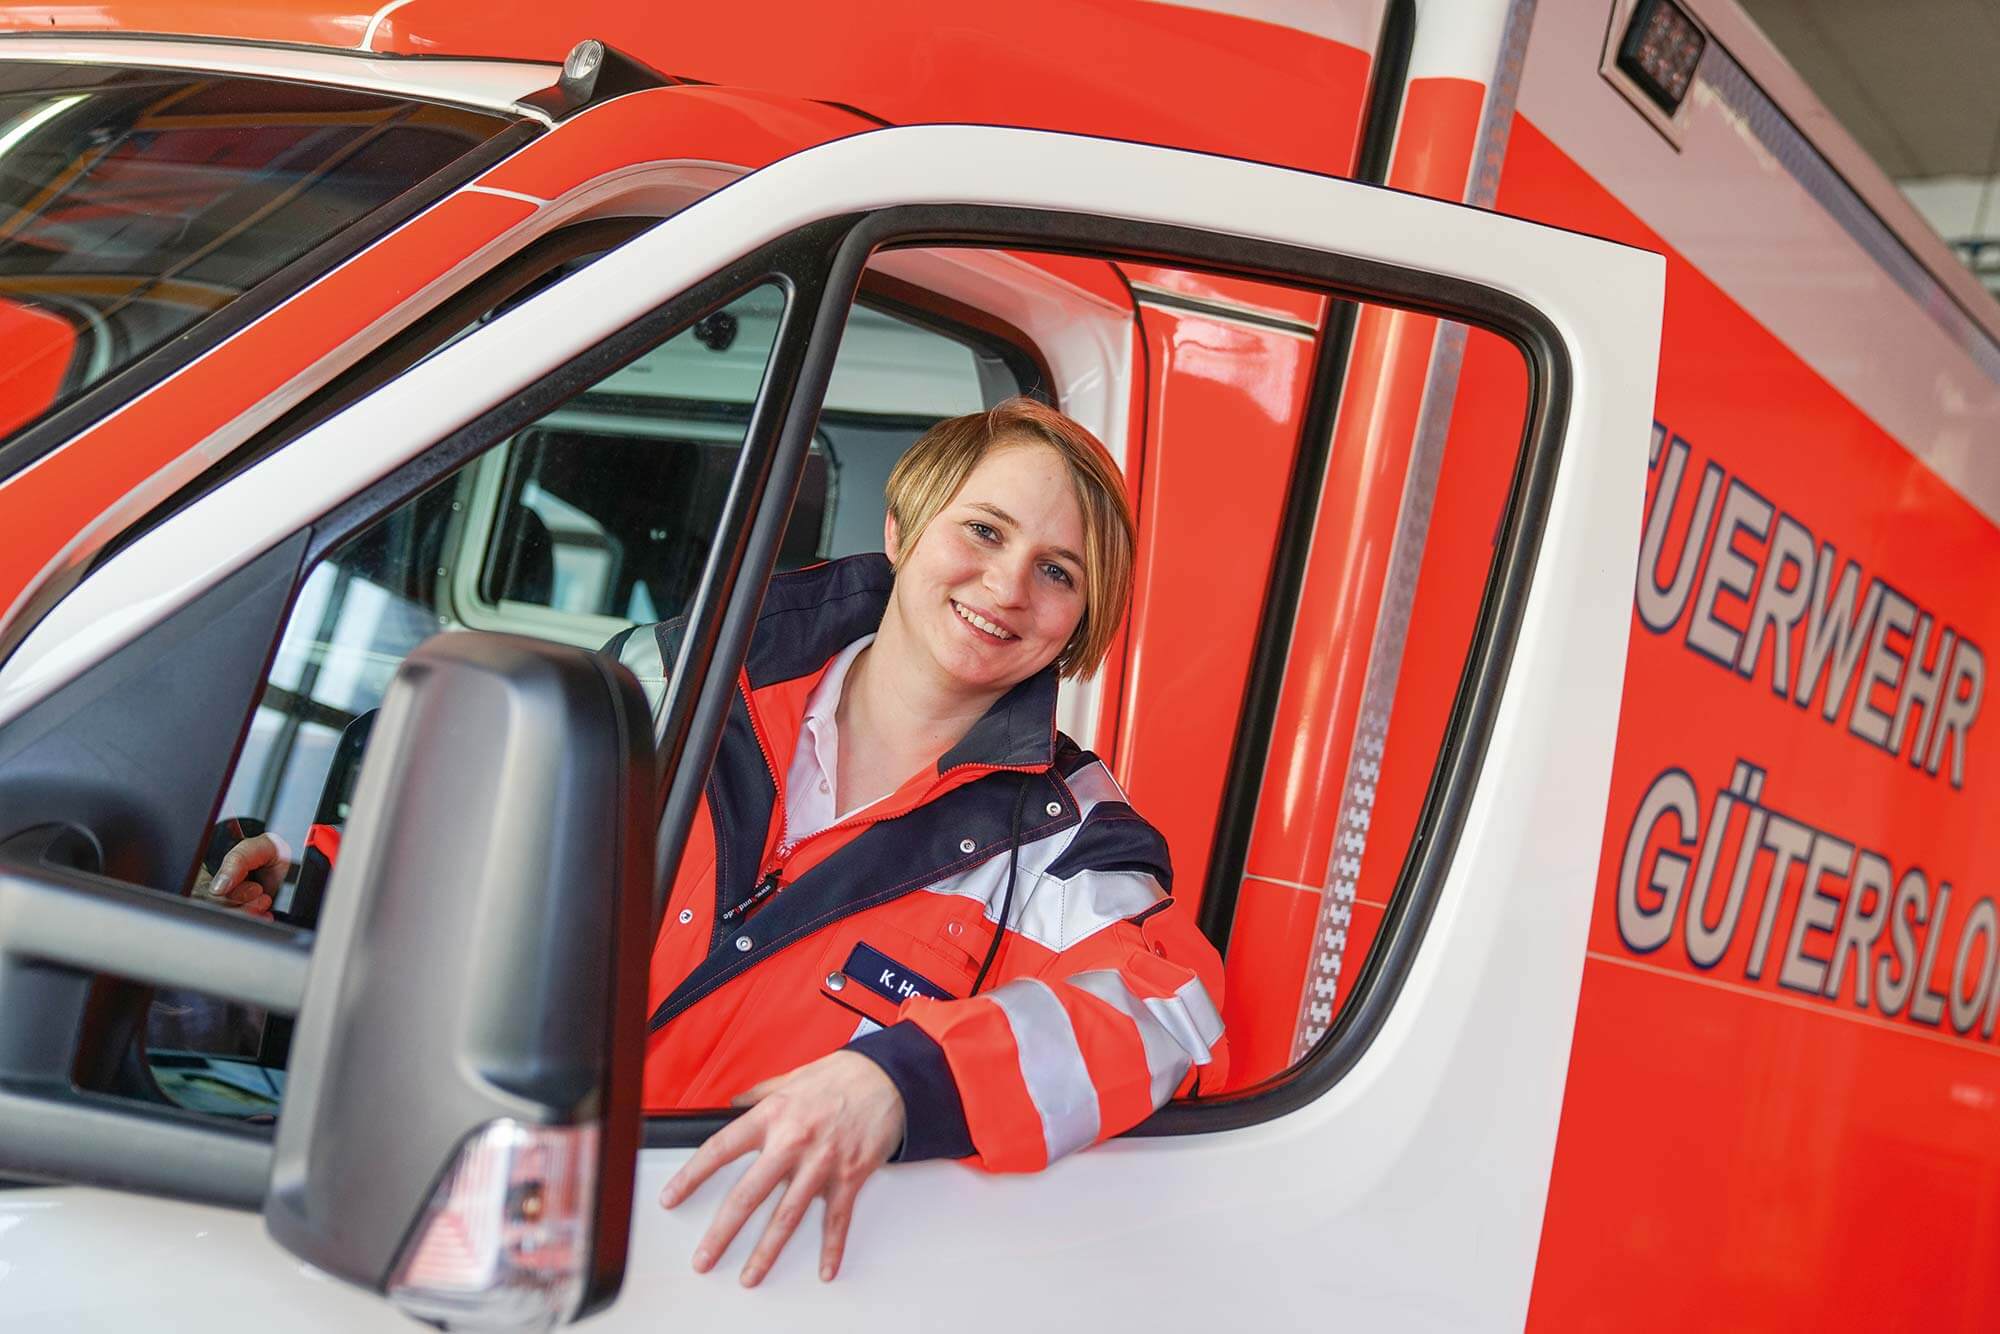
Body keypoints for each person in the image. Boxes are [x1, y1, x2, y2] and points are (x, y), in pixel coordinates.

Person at [209, 397, 1227, 1287]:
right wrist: (303, 902)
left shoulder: (1067, 826)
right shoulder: (678, 683)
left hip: (738, 1280)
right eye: (984, 530)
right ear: (905, 525)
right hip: (481, 1202)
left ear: (1081, 617)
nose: (1007, 585)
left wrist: (898, 1077)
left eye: (1056, 569)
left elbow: (1165, 1011)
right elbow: (491, 847)